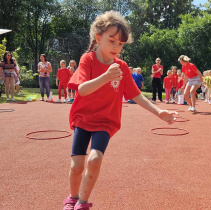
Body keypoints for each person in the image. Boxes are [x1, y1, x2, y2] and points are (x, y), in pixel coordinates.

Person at [64, 11, 176, 210]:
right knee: (77, 166)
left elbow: (136, 96)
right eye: (112, 41)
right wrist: (106, 77)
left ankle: (82, 202)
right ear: (98, 38)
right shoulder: (87, 60)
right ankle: (72, 198)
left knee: (96, 159)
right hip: (83, 117)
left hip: (105, 121)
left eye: (121, 44)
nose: (116, 47)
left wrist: (159, 112)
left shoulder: (122, 67)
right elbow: (82, 89)